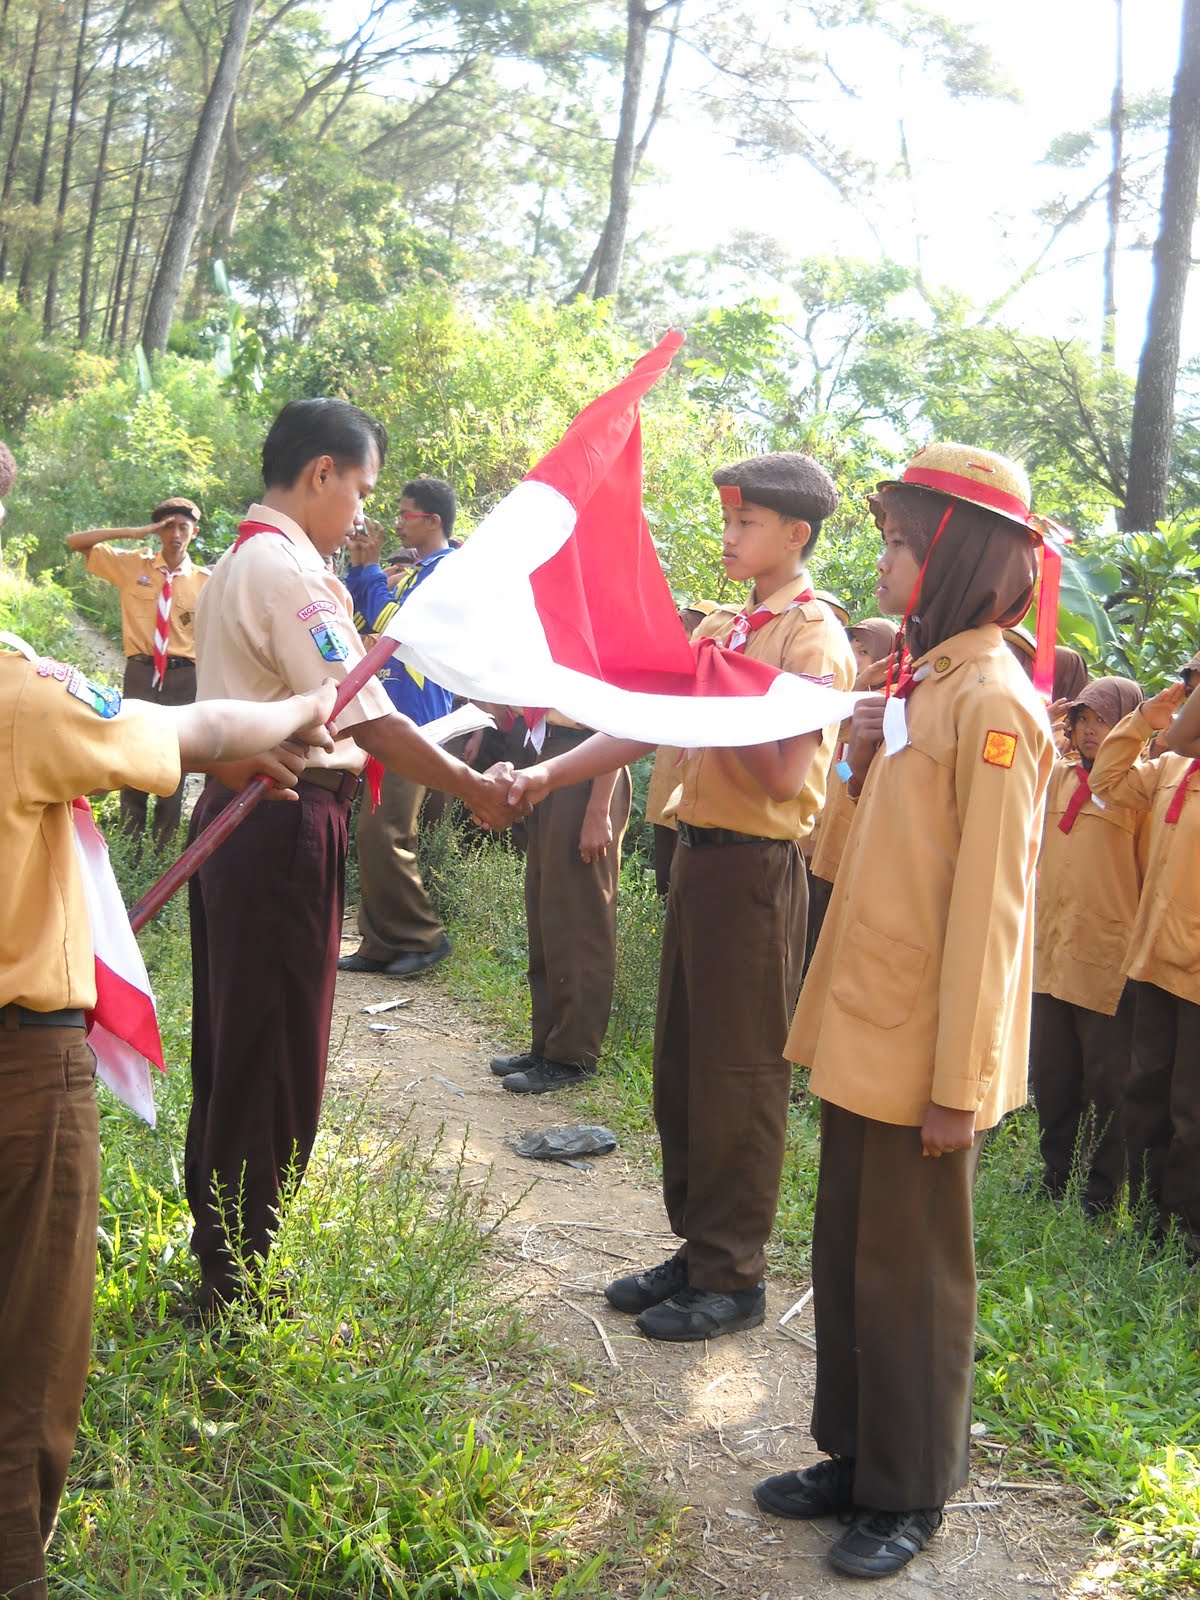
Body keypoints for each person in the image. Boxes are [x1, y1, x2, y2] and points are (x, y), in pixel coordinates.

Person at [1, 486, 345, 1596]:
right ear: (327, 478)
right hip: (17, 1055)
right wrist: (308, 711)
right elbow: (193, 725)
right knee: (24, 1359)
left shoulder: (207, 578)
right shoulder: (19, 692)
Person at [754, 442, 1051, 1580]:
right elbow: (874, 858)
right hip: (865, 1024)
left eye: (897, 545)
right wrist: (865, 766)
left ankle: (912, 1484)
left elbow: (990, 914)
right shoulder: (920, 687)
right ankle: (855, 1452)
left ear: (954, 557)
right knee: (850, 1249)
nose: (880, 564)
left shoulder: (993, 702)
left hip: (925, 1046)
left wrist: (961, 1086)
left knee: (917, 1270)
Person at [508, 451, 855, 1338]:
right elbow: (646, 723)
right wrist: (547, 773)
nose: (729, 536)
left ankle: (734, 1275)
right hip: (696, 859)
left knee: (740, 1076)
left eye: (745, 524)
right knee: (684, 1067)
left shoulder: (811, 637)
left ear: (795, 534)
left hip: (756, 873)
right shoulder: (730, 631)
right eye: (729, 521)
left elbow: (782, 777)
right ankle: (697, 1244)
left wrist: (719, 690)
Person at [186, 399, 516, 1312]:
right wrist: (472, 784)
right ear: (322, 472)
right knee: (270, 1049)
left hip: (245, 818)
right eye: (361, 489)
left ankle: (223, 1253)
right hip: (281, 824)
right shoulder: (290, 571)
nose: (364, 513)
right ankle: (241, 1280)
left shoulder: (240, 562)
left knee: (234, 1041)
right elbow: (361, 715)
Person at [1088, 675, 1200, 1252]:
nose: (1189, 694)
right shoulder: (1173, 771)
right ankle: (1152, 1229)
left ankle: (1184, 1241)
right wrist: (1141, 723)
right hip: (1155, 960)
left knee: (1191, 1116)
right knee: (1146, 1096)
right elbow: (1106, 782)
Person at [1031, 677, 1145, 1212]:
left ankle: (1101, 1192)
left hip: (1107, 958)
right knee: (1053, 1073)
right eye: (1083, 720)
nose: (1091, 730)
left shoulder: (1137, 788)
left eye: (1104, 720)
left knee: (1107, 1083)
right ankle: (1056, 1172)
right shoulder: (1056, 779)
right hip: (1051, 951)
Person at [338, 478, 459, 977]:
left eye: (406, 515)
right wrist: (359, 568)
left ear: (432, 521)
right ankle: (379, 941)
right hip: (386, 709)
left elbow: (396, 630)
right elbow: (356, 613)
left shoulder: (449, 571)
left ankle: (423, 936)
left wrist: (368, 569)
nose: (398, 521)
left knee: (387, 829)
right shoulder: (417, 572)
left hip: (419, 717)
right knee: (371, 832)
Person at [489, 709, 632, 1094]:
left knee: (578, 915)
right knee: (547, 910)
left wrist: (599, 807)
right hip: (549, 754)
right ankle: (547, 1044)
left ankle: (573, 1053)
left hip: (589, 763)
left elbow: (619, 718)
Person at [65, 498, 208, 847]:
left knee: (175, 757)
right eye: (167, 526)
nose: (175, 534)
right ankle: (130, 847)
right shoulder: (132, 566)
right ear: (158, 530)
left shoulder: (206, 581)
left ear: (194, 531)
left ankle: (162, 850)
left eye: (182, 527)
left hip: (182, 675)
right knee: (132, 750)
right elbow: (76, 542)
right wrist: (134, 533)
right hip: (141, 672)